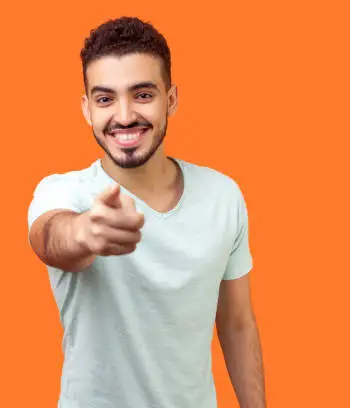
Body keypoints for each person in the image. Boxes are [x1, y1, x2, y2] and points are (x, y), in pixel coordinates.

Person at [27, 16, 267, 408]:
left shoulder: (224, 195)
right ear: (87, 109)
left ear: (170, 99)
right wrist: (85, 232)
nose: (124, 116)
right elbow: (52, 237)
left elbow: (238, 323)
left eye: (142, 94)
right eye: (105, 99)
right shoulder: (64, 192)